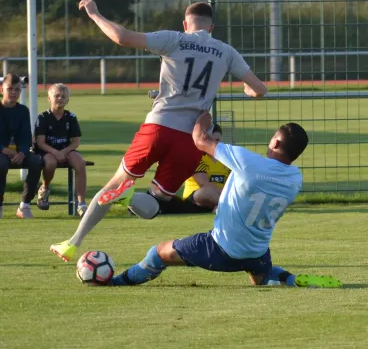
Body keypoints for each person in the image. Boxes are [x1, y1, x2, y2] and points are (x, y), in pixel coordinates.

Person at [50, 0, 267, 261]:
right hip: (191, 139)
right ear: (211, 28)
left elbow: (122, 37)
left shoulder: (175, 38)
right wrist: (247, 89)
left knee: (116, 182)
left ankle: (73, 242)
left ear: (185, 24)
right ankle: (130, 199)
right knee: (155, 202)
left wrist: (95, 15)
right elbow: (259, 90)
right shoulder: (226, 51)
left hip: (159, 126)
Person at [108, 112, 343, 289]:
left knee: (158, 253)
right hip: (257, 251)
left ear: (275, 143)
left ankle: (116, 283)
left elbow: (200, 139)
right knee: (262, 279)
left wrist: (202, 112)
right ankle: (291, 279)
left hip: (222, 247)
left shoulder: (248, 161)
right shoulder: (295, 178)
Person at [34, 83, 87, 217]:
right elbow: (40, 142)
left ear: (67, 100)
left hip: (65, 149)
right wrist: (55, 152)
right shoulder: (43, 117)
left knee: (80, 163)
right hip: (47, 150)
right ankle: (44, 188)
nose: (60, 98)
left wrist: (63, 152)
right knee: (50, 163)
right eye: (56, 96)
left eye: (63, 96)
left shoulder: (71, 117)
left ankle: (81, 204)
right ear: (49, 98)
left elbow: (76, 142)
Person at [0, 73, 43, 219]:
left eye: (17, 90)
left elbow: (26, 136)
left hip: (19, 152)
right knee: (1, 164)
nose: (13, 93)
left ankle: (24, 205)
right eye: (9, 89)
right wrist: (4, 150)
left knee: (36, 162)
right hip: (1, 151)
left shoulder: (23, 110)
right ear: (2, 89)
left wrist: (23, 152)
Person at [179, 123, 230, 213]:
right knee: (203, 193)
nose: (214, 144)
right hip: (196, 200)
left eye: (217, 140)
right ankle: (227, 207)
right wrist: (227, 195)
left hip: (219, 198)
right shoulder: (197, 158)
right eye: (210, 140)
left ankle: (219, 207)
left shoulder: (227, 160)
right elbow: (204, 183)